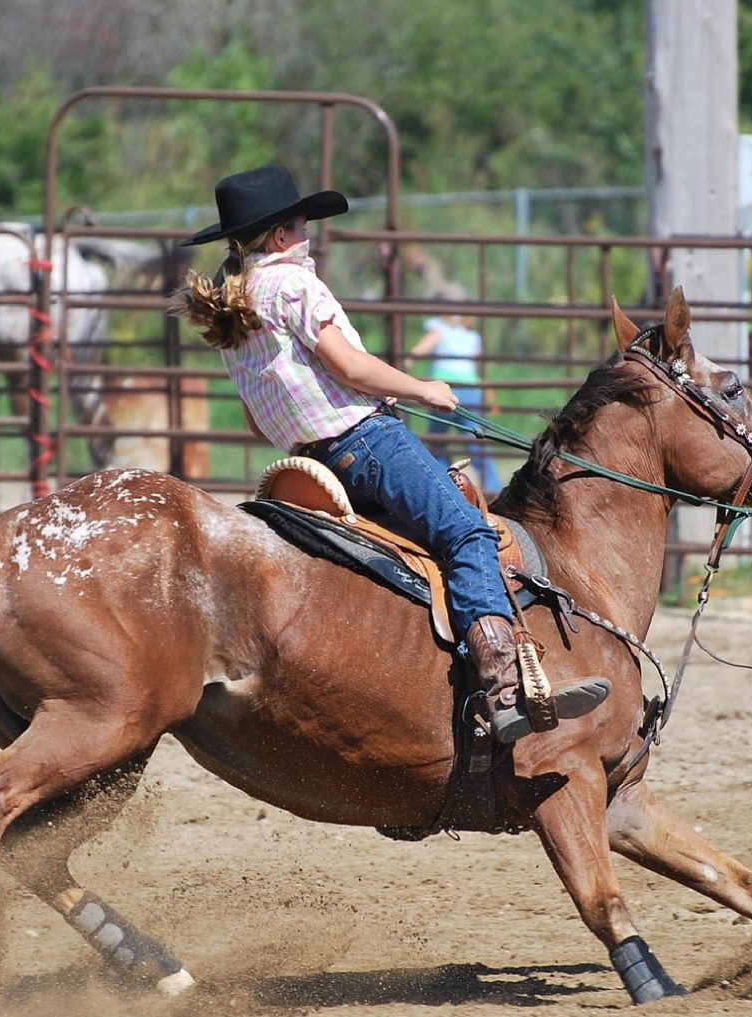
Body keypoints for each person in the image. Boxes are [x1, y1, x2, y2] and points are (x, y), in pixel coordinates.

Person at [172, 163, 608, 744]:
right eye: (302, 227)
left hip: (312, 461)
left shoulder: (236, 311)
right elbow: (350, 366)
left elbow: (257, 418)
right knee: (468, 533)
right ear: (279, 237)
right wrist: (421, 388)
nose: (309, 238)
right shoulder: (294, 285)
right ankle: (504, 686)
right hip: (366, 441)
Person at [408, 286, 501, 493]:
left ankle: (443, 482)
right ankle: (493, 486)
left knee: (439, 439)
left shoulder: (439, 327)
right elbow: (476, 362)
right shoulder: (471, 334)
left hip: (446, 390)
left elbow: (424, 347)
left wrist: (408, 358)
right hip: (471, 390)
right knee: (475, 439)